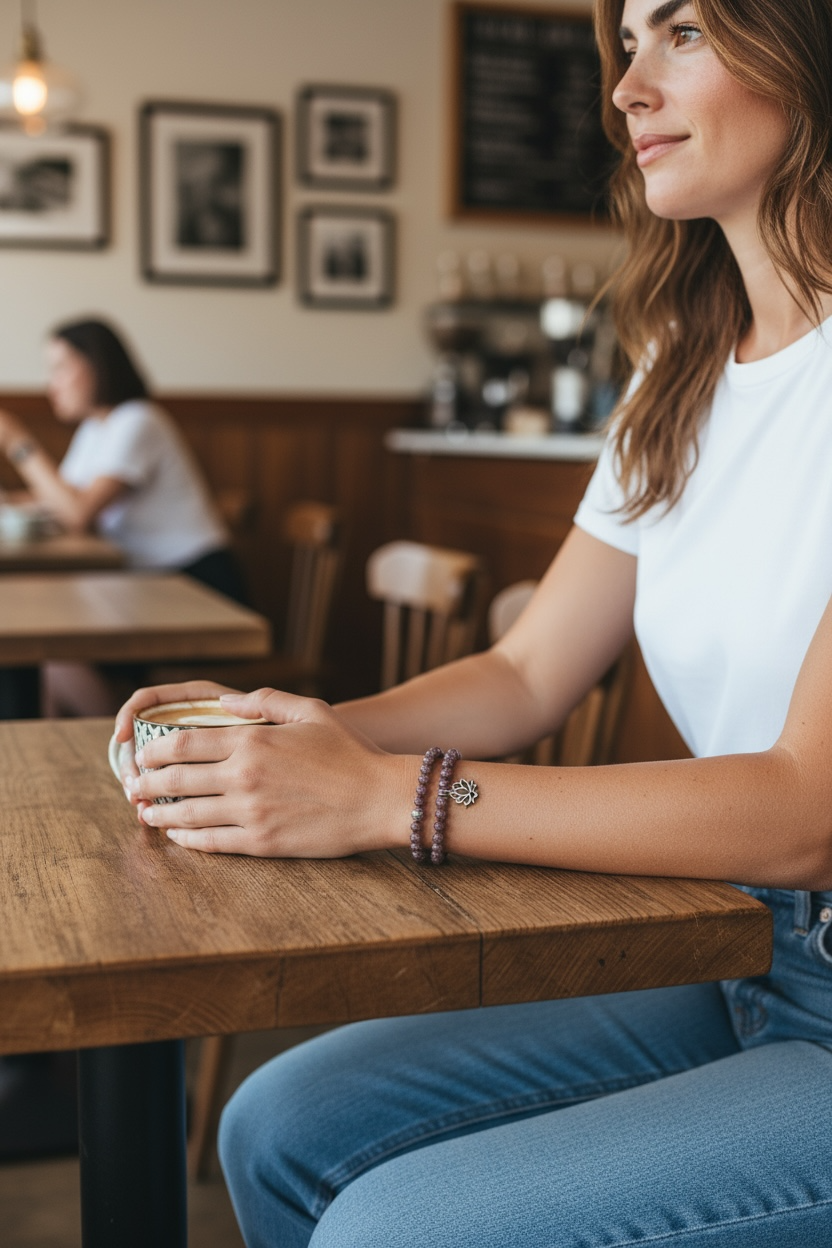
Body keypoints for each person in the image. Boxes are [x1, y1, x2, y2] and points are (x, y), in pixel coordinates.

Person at [113, 0, 832, 1242]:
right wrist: (281, 733)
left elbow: (803, 809)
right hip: (740, 941)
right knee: (273, 1130)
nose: (625, 90)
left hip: (787, 923)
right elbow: (522, 670)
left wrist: (391, 795)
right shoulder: (683, 366)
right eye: (624, 43)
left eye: (684, 34)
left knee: (400, 1227)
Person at [0, 317, 246, 715]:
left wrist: (19, 444)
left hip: (197, 587)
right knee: (43, 640)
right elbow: (56, 499)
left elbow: (76, 514)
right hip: (147, 588)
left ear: (96, 365)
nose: (52, 384)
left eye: (61, 368)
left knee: (52, 647)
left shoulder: (139, 421)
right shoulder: (97, 429)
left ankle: (120, 745)